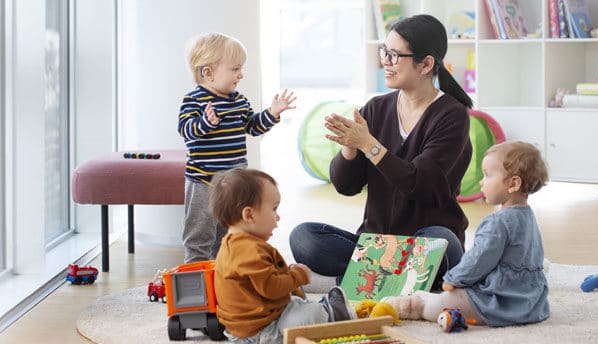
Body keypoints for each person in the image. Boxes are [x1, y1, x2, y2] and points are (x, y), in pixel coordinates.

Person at [290, 14, 472, 288]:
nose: (384, 61)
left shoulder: (452, 115)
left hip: (424, 239)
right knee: (303, 237)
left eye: (394, 55)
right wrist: (350, 149)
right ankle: (399, 281)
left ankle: (350, 281)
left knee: (444, 247)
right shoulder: (376, 108)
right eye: (384, 51)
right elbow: (346, 186)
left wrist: (368, 145)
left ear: (426, 64)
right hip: (375, 242)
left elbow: (418, 183)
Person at [383, 141, 550, 327]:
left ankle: (415, 307)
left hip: (499, 303)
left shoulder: (497, 222)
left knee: (444, 302)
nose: (481, 182)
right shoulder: (528, 216)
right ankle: (424, 298)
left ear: (513, 183)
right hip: (531, 303)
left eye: (487, 175)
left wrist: (454, 278)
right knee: (452, 295)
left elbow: (479, 259)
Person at [178, 32, 296, 263]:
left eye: (241, 69)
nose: (241, 74)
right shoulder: (194, 100)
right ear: (208, 73)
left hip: (232, 184)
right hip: (203, 181)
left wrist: (272, 113)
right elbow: (186, 131)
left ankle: (224, 274)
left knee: (228, 233)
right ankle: (197, 275)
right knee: (199, 233)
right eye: (235, 69)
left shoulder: (239, 100)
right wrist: (205, 123)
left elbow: (253, 127)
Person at [210, 168, 353, 344]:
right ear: (249, 215)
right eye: (274, 209)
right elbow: (271, 288)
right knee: (311, 316)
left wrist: (288, 274)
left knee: (294, 302)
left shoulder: (234, 244)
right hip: (261, 330)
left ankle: (323, 308)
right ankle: (329, 313)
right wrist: (297, 276)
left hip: (260, 317)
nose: (278, 217)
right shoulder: (248, 250)